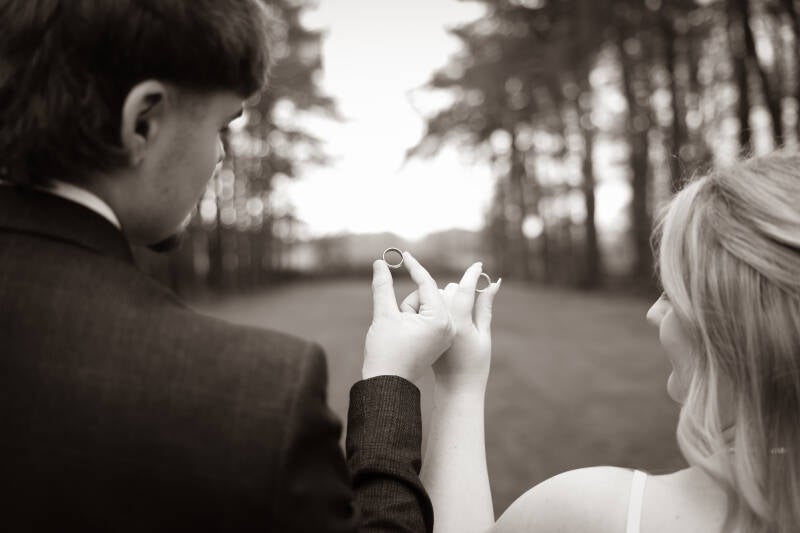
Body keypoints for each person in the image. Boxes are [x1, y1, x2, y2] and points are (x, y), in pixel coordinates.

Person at [0, 1, 459, 530]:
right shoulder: (253, 396)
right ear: (143, 121)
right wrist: (391, 377)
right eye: (221, 125)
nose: (220, 155)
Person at [399, 150, 800, 533]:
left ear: (737, 324)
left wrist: (459, 384)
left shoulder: (587, 513)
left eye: (673, 295)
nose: (653, 312)